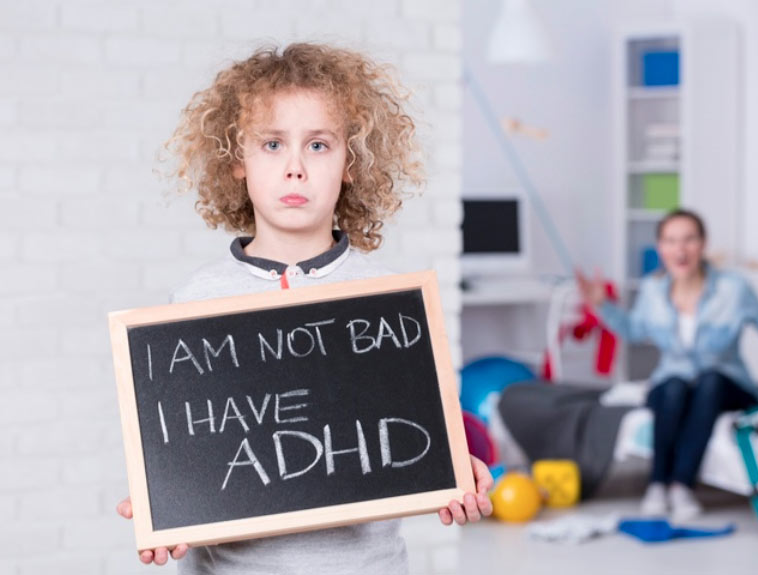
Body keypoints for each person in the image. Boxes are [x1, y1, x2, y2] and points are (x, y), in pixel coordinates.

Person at [116, 43, 493, 573]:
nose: (295, 168)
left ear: (351, 165)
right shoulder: (195, 303)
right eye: (271, 144)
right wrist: (163, 509)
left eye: (318, 145)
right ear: (236, 164)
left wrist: (465, 466)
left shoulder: (391, 305)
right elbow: (188, 455)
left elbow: (435, 428)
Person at [576, 209, 758, 521]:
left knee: (710, 380)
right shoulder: (651, 291)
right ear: (661, 248)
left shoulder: (733, 288)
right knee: (672, 387)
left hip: (727, 385)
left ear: (702, 244)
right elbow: (633, 331)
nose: (680, 249)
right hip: (673, 384)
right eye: (671, 241)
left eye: (689, 239)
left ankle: (681, 486)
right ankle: (657, 484)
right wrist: (601, 305)